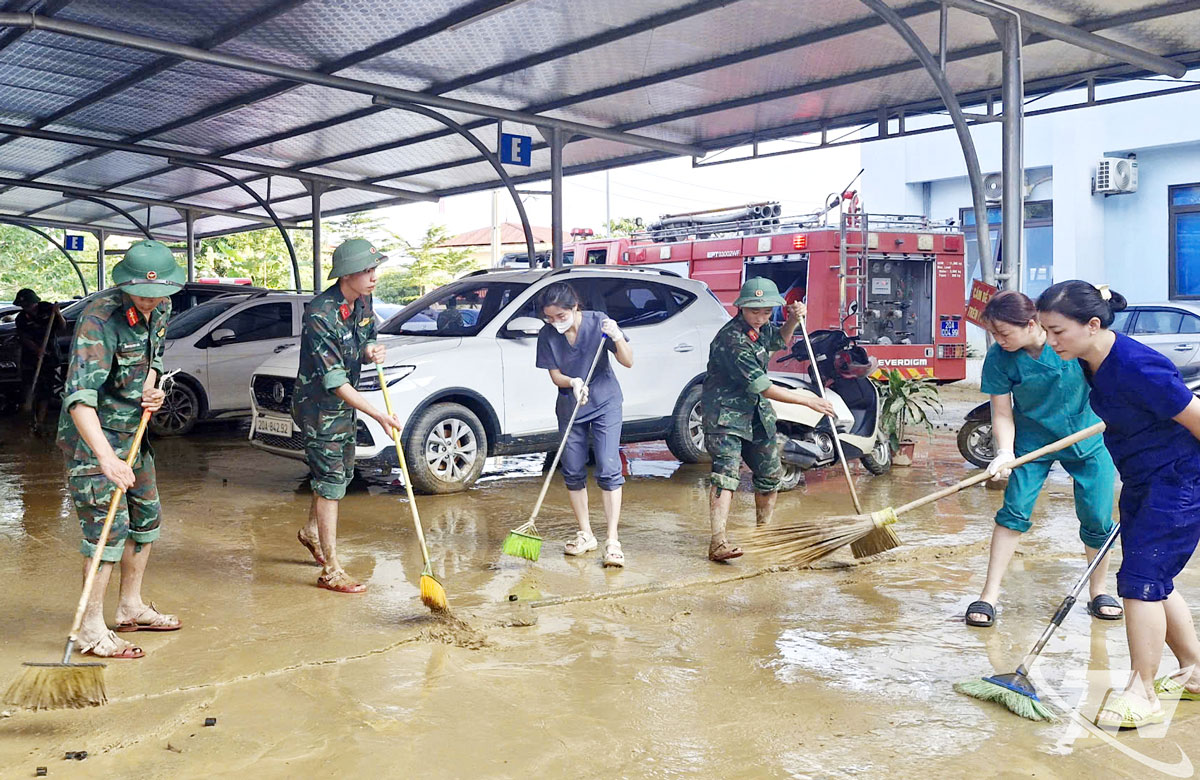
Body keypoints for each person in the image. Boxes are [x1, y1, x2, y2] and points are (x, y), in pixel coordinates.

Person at [1037, 280, 1200, 730]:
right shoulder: (1092, 359)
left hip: (1177, 480)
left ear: (1092, 324)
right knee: (1153, 577)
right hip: (1143, 477)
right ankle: (1194, 670)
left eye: (1057, 332)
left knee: (1140, 582)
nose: (1050, 342)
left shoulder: (1138, 366)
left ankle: (1141, 691)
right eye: (1046, 331)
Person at [56, 240, 184, 659]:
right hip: (93, 438)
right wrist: (106, 459)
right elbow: (80, 397)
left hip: (134, 432)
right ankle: (90, 630)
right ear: (125, 284)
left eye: (157, 293)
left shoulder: (161, 307)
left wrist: (152, 389)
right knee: (107, 532)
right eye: (142, 294)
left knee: (146, 518)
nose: (150, 301)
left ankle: (130, 606)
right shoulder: (99, 318)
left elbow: (153, 360)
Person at [965, 290, 1120, 628]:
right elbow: (1001, 412)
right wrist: (1005, 452)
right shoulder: (1000, 357)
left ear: (1031, 324)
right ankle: (989, 595)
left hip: (1087, 435)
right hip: (1032, 441)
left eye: (1004, 333)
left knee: (1097, 516)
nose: (999, 340)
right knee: (1014, 510)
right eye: (994, 334)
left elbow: (1110, 381)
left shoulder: (1067, 344)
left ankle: (1099, 591)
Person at [292, 238, 403, 594]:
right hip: (319, 408)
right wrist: (379, 415)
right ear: (346, 275)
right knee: (330, 482)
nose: (374, 277)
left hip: (343, 406)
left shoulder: (363, 300)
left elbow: (366, 337)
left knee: (339, 475)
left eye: (374, 269)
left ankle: (311, 532)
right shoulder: (319, 314)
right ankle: (331, 570)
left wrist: (372, 350)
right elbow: (335, 381)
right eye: (366, 271)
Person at [701, 277, 834, 562]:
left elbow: (779, 340)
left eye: (766, 312)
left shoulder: (759, 330)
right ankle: (718, 541)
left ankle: (764, 533)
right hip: (726, 415)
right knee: (726, 475)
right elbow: (764, 387)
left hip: (755, 414)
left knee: (771, 473)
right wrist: (808, 400)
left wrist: (793, 320)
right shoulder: (732, 339)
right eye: (754, 311)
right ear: (741, 308)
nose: (760, 317)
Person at [535, 282, 634, 567]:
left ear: (575, 307)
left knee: (608, 466)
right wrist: (573, 382)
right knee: (573, 470)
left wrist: (617, 337)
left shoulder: (599, 323)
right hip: (571, 404)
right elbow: (555, 375)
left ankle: (612, 540)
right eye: (549, 318)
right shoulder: (547, 335)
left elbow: (628, 361)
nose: (555, 323)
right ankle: (586, 534)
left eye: (560, 316)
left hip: (605, 402)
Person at [14, 287, 65, 431]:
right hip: (30, 358)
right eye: (23, 306)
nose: (26, 308)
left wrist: (58, 313)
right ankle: (28, 418)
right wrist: (37, 350)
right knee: (29, 386)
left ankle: (40, 422)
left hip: (50, 355)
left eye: (28, 305)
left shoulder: (48, 309)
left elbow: (62, 326)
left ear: (35, 303)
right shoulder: (21, 318)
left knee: (45, 389)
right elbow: (24, 338)